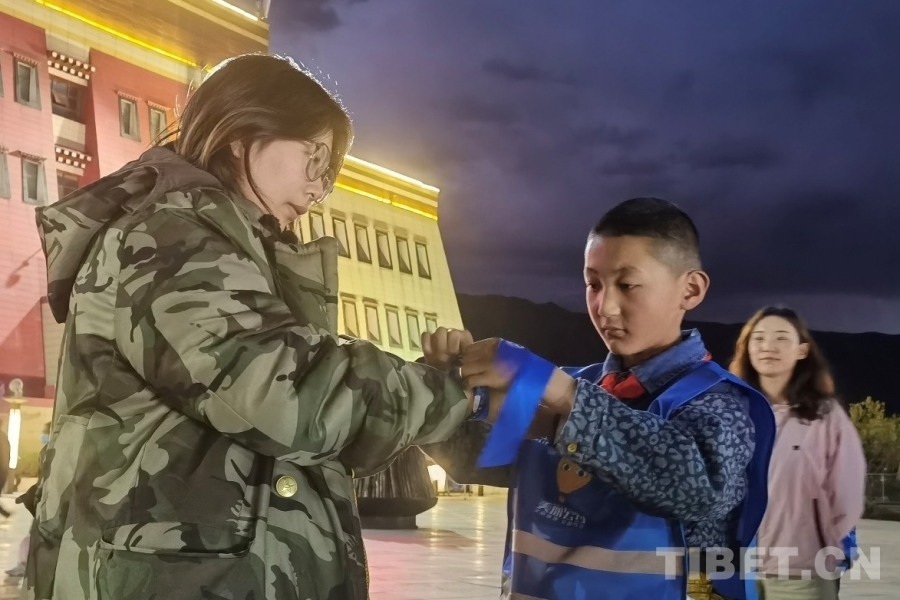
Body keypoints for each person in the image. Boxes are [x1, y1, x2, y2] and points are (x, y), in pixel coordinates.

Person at [25, 53, 474, 600]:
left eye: (330, 175)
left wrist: (428, 382)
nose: (318, 190)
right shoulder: (169, 237)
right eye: (315, 159)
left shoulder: (218, 243)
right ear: (243, 134)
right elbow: (283, 390)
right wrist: (450, 392)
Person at [422, 197, 776, 600]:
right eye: (593, 284)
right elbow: (474, 457)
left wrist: (558, 392)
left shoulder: (721, 404)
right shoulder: (572, 386)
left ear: (690, 290)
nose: (604, 306)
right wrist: (444, 387)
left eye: (627, 285)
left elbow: (696, 489)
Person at [729, 306, 866, 600]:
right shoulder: (729, 411)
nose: (768, 346)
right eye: (758, 338)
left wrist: (821, 546)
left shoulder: (825, 415)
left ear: (802, 350)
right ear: (747, 348)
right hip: (733, 571)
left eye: (781, 338)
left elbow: (847, 493)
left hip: (801, 573)